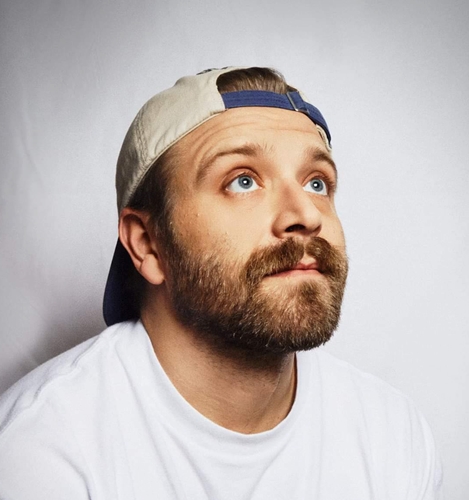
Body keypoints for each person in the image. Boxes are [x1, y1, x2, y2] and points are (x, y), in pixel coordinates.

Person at [0, 66, 443, 499]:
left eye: (317, 183)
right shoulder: (42, 450)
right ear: (148, 244)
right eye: (243, 181)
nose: (306, 215)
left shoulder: (392, 436)